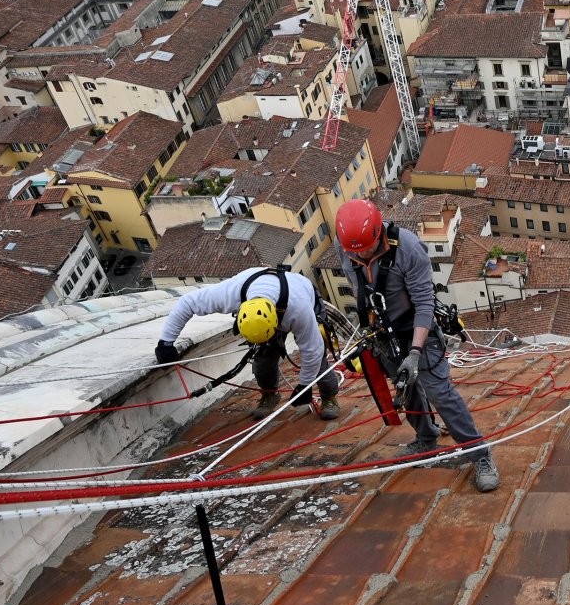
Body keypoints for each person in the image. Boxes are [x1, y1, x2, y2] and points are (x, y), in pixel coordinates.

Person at [336, 199, 500, 494]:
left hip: (416, 327)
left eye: (367, 249)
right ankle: (426, 437)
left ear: (379, 234)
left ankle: (480, 455)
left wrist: (414, 352)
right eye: (354, 251)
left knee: (439, 391)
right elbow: (360, 287)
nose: (360, 255)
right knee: (405, 388)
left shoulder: (408, 249)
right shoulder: (346, 247)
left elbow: (424, 303)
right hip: (384, 331)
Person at [155, 265, 340, 421]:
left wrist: (304, 386)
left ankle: (329, 396)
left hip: (301, 292)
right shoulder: (230, 294)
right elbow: (187, 302)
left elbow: (313, 351)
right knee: (263, 355)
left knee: (319, 360)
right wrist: (166, 342)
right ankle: (269, 394)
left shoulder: (299, 309)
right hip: (264, 291)